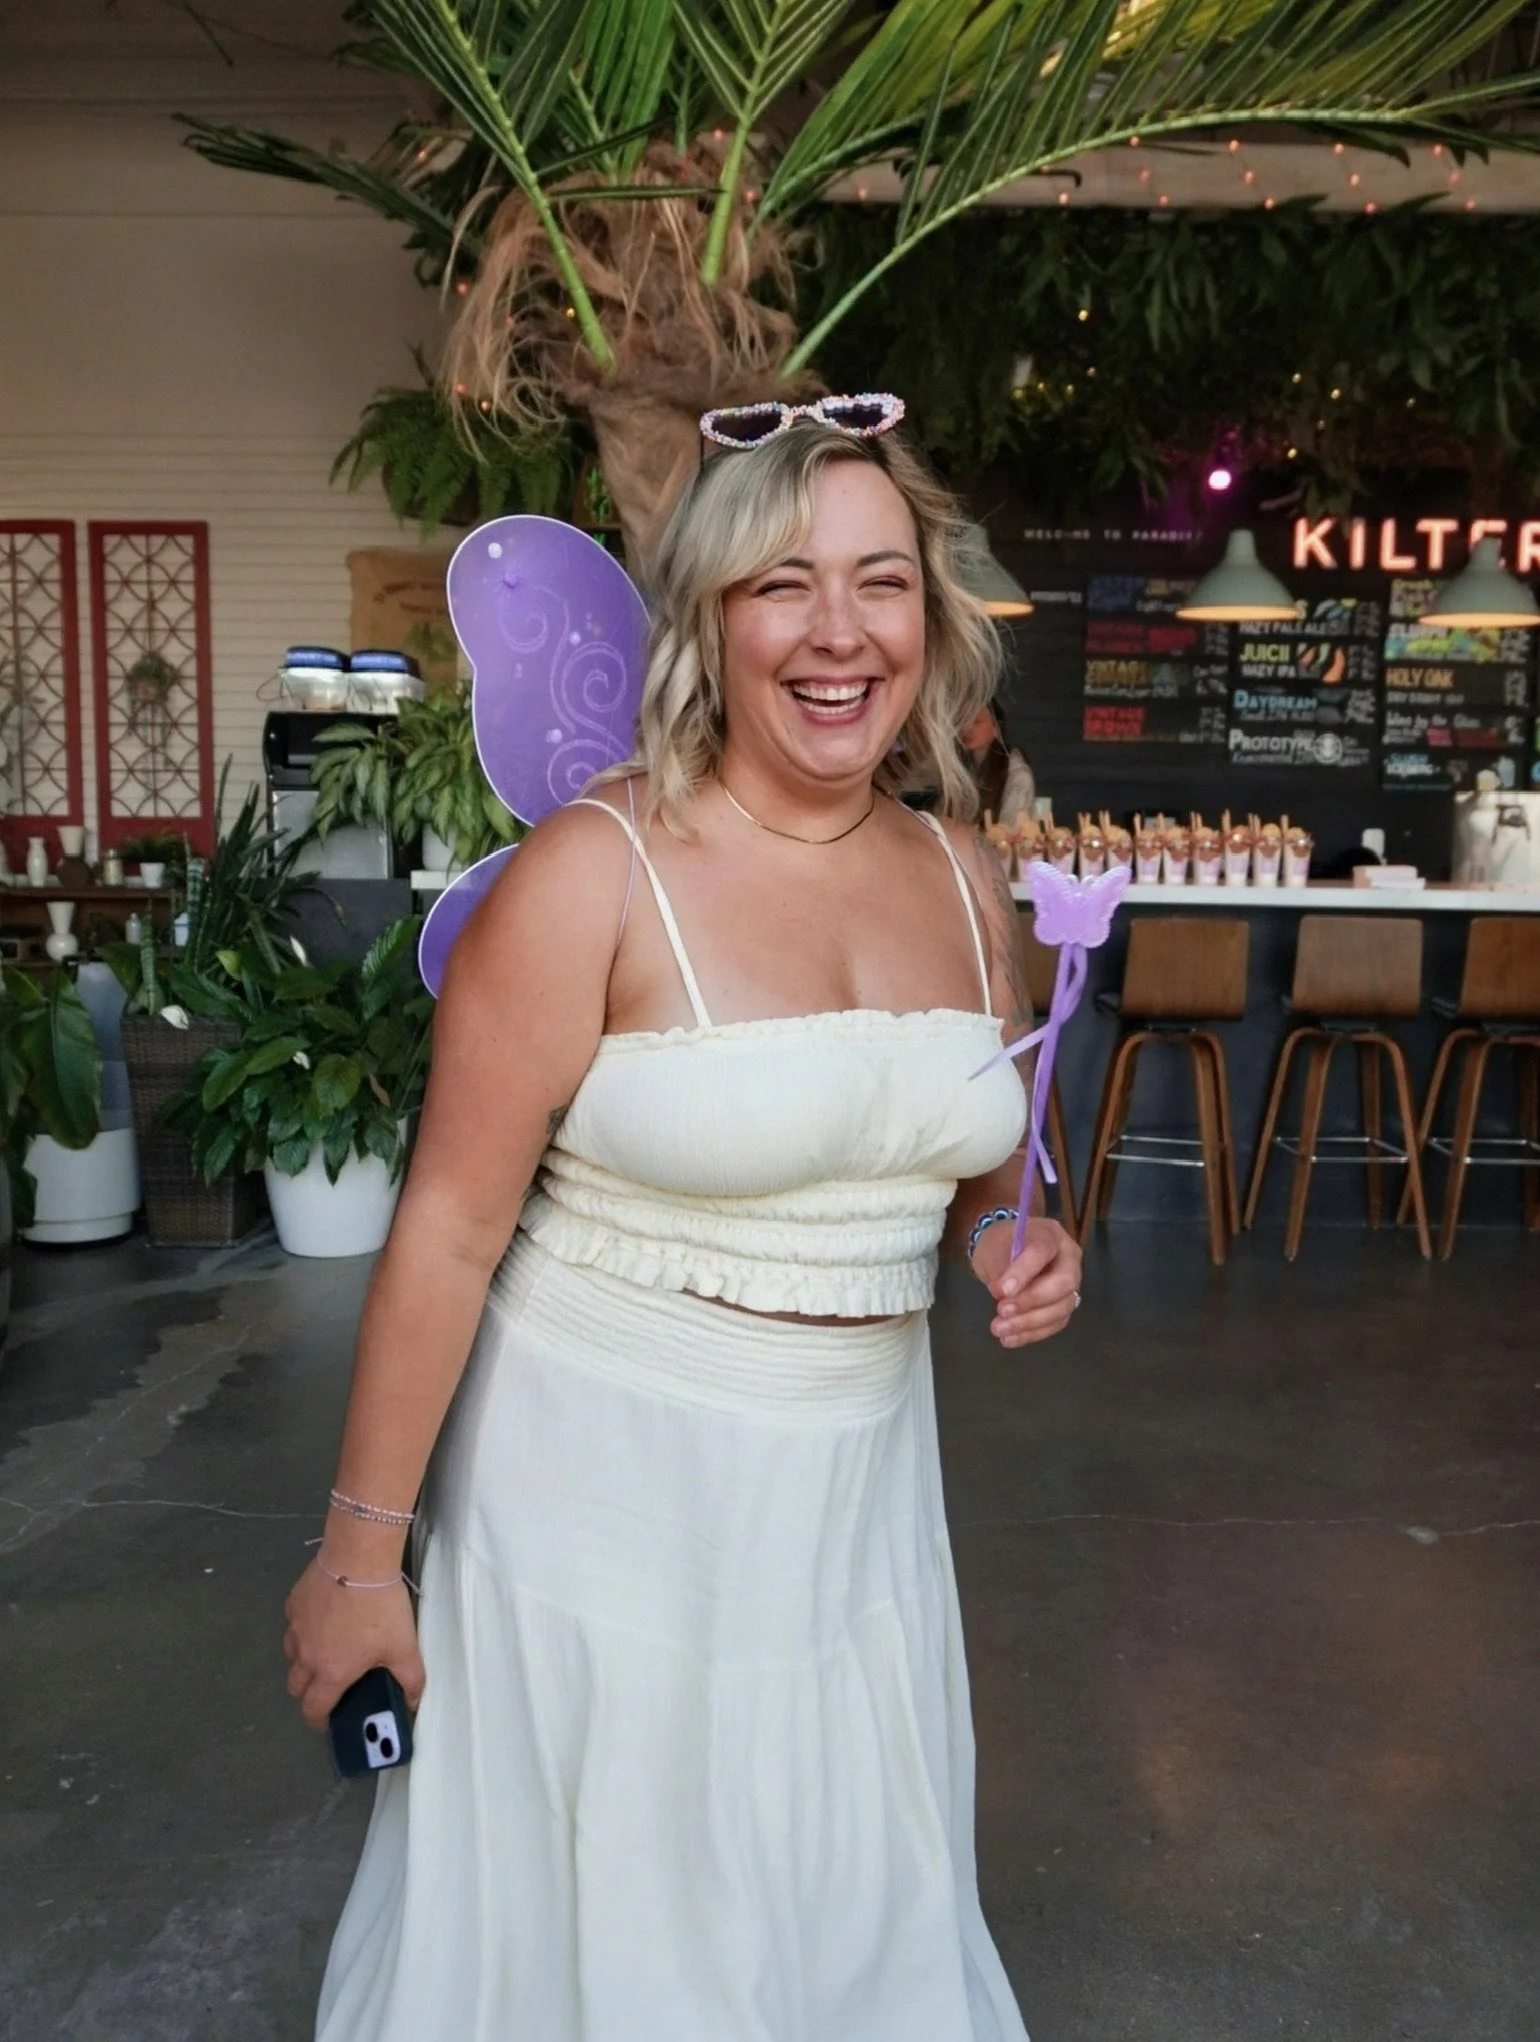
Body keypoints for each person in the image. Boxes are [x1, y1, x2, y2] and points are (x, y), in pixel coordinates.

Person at [285, 405, 1083, 2042]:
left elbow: (975, 1148)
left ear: (930, 618)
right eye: (784, 583)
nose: (840, 630)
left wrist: (1013, 1234)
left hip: (860, 1509)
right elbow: (445, 1231)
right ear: (711, 619)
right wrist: (361, 1560)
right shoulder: (592, 874)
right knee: (631, 1933)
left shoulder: (964, 873)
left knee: (830, 1903)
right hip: (603, 1505)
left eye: (880, 581)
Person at [962, 704, 1036, 825]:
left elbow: (1012, 829)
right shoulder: (961, 766)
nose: (967, 728)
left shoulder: (1016, 774)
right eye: (963, 721)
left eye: (976, 722)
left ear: (996, 728)